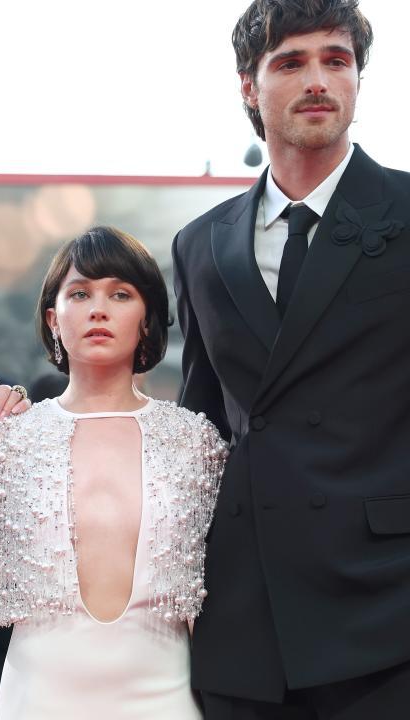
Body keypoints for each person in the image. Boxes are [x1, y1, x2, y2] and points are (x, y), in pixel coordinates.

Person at [172, 1, 410, 716]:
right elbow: (199, 426)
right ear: (250, 85)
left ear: (358, 80)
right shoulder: (199, 244)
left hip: (387, 604)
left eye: (336, 61)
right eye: (291, 62)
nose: (318, 80)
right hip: (243, 617)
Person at [0, 227, 227, 719]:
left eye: (120, 293)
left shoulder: (195, 442)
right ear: (54, 319)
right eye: (80, 293)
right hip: (37, 698)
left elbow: (225, 594)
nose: (98, 309)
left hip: (165, 699)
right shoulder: (9, 441)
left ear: (146, 319)